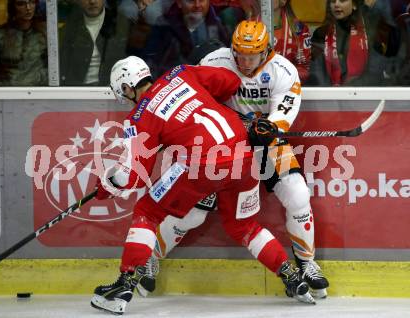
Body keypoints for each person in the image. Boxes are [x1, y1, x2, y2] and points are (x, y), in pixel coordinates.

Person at [90, 56, 315, 315]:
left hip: (200, 165)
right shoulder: (181, 72)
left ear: (127, 88)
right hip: (242, 153)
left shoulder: (138, 117)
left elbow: (133, 177)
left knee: (147, 212)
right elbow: (229, 82)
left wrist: (106, 186)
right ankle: (292, 277)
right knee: (244, 226)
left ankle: (125, 284)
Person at [140, 20, 330, 300]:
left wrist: (270, 127)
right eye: (239, 54)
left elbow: (281, 116)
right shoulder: (215, 61)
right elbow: (194, 98)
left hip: (264, 143)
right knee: (192, 213)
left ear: (266, 51)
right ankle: (150, 258)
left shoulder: (283, 71)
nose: (244, 61)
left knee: (298, 194)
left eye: (251, 56)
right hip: (219, 144)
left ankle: (305, 262)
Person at [308, 0, 395, 86]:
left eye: (342, 0)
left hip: (364, 92)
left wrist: (354, 86)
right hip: (329, 94)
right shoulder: (321, 33)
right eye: (333, 1)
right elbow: (316, 72)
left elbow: (376, 69)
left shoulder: (371, 31)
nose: (336, 4)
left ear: (354, 5)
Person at [142, 0, 230, 76]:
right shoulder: (164, 27)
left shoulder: (220, 25)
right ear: (179, 3)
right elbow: (152, 64)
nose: (197, 5)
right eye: (191, 0)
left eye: (202, 0)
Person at [59, 0, 129, 85]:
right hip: (76, 90)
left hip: (110, 89)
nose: (92, 1)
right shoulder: (70, 26)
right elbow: (62, 66)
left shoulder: (121, 23)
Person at [0, 0, 48, 86]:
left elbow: (55, 69)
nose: (28, 8)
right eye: (21, 4)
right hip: (7, 92)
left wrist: (37, 80)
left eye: (32, 2)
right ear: (13, 7)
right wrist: (5, 89)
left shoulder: (45, 32)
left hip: (38, 91)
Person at [273, 0, 312, 82]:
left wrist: (284, 77)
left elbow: (304, 69)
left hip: (289, 88)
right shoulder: (250, 25)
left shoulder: (299, 28)